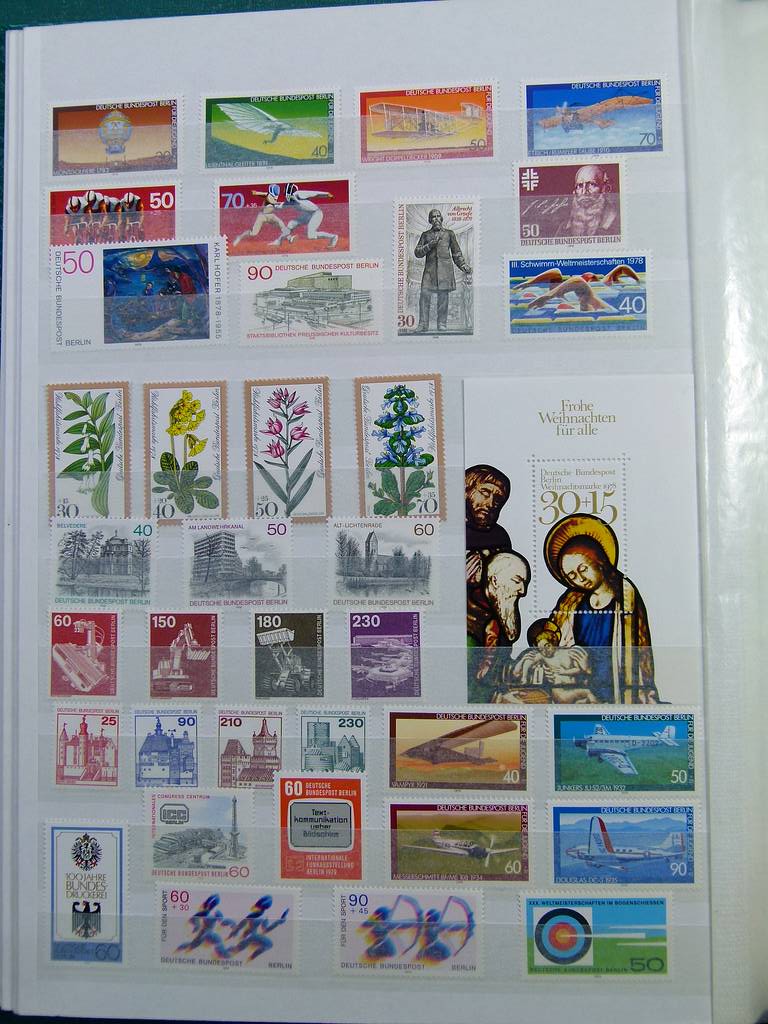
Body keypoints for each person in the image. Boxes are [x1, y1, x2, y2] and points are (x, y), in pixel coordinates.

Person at [543, 513, 658, 704]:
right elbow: (553, 635)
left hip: (614, 684)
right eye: (571, 575)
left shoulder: (625, 595)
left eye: (583, 569)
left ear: (599, 561)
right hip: (579, 684)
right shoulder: (571, 600)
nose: (579, 579)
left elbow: (638, 652)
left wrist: (591, 667)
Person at [466, 465, 515, 685]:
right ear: (466, 491)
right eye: (485, 492)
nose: (491, 503)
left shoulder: (500, 536)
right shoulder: (446, 531)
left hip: (493, 617)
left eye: (499, 499)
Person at [506, 619, 596, 703]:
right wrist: (524, 675)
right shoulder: (539, 655)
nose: (545, 651)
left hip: (573, 689)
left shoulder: (571, 652)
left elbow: (584, 674)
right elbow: (521, 668)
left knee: (588, 697)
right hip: (558, 693)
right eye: (541, 649)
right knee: (587, 693)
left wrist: (587, 669)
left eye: (547, 645)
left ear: (554, 641)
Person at [414, 208, 472, 331]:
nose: (436, 219)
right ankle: (423, 324)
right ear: (430, 220)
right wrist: (429, 245)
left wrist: (463, 265)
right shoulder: (425, 235)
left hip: (445, 272)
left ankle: (442, 324)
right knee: (424, 295)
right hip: (429, 272)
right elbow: (417, 253)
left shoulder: (449, 234)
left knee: (443, 298)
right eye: (433, 217)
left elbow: (456, 253)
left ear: (441, 218)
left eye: (438, 216)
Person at [553, 164, 619, 239]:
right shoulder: (564, 228)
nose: (584, 192)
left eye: (592, 184)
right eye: (580, 186)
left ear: (606, 189)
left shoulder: (616, 223)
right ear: (574, 192)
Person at [273, 183, 338, 248]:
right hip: (307, 214)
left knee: (311, 235)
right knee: (291, 224)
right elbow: (279, 206)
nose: (285, 193)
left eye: (285, 191)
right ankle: (278, 241)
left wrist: (326, 194)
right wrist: (272, 205)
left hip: (316, 213)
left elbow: (315, 194)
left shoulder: (299, 194)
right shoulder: (288, 201)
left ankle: (333, 237)